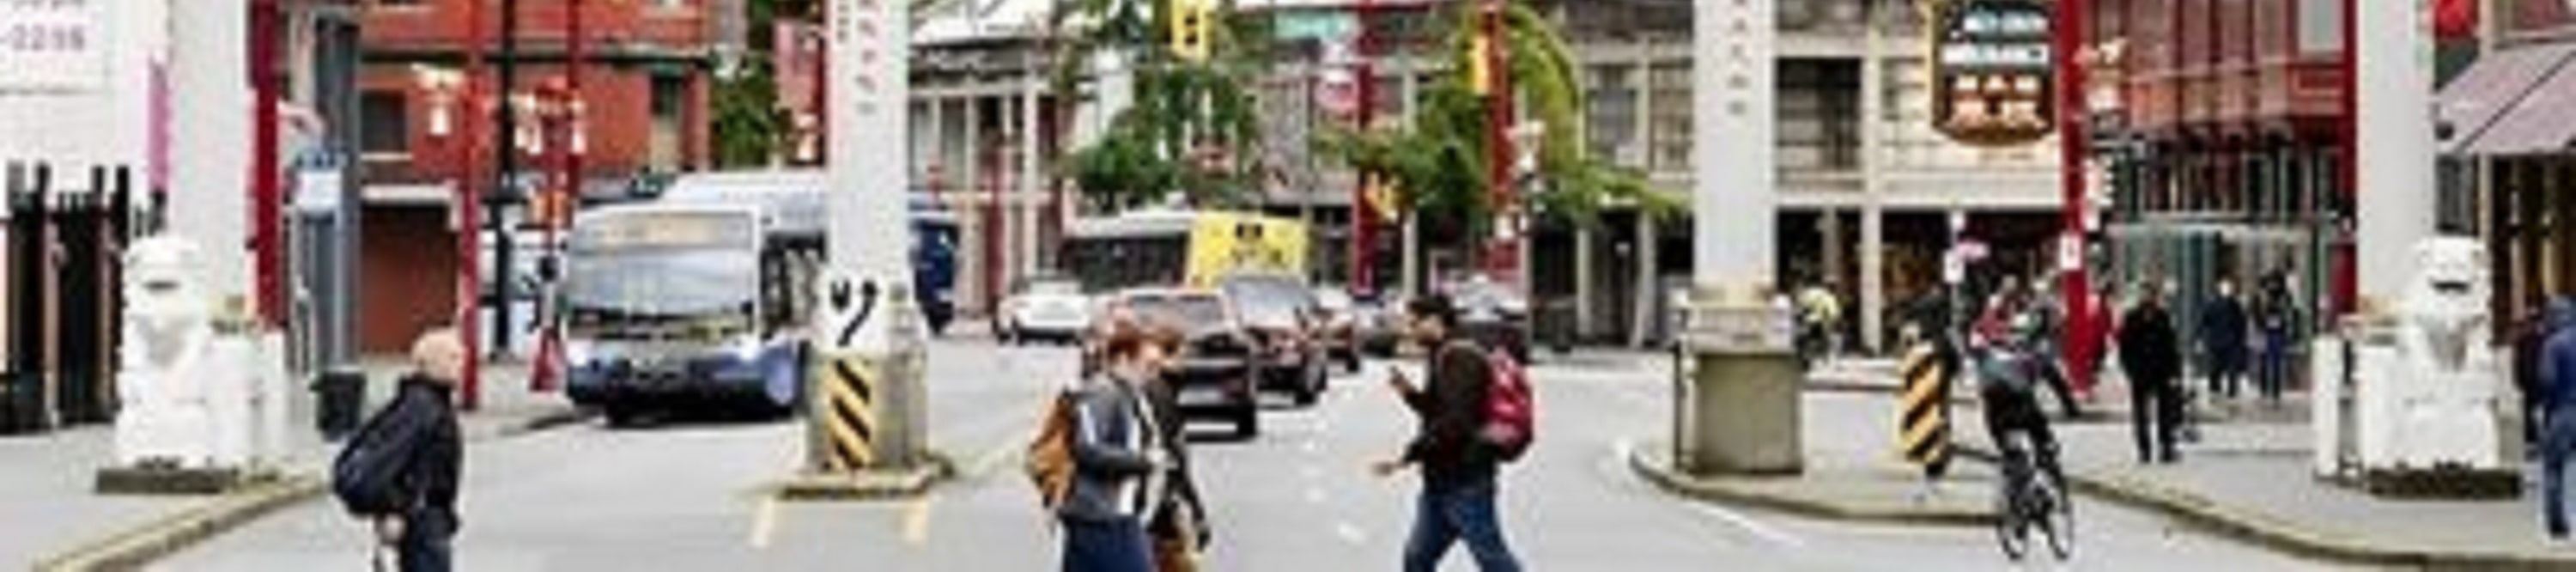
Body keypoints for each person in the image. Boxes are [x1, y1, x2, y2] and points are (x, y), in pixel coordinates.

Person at [1373, 295, 1521, 572]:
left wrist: (1408, 455)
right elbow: (1438, 411)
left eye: (1414, 323)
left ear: (1434, 321)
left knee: (1493, 559)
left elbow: (1455, 424)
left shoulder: (1461, 357)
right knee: (1417, 559)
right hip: (1441, 482)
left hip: (1466, 481)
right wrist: (1409, 394)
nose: (1410, 331)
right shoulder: (1442, 352)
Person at [1059, 330, 1172, 572]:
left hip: (1113, 515)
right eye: (1148, 366)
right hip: (1100, 517)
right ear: (1122, 360)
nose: (1154, 375)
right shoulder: (1102, 392)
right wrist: (1144, 461)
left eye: (1157, 368)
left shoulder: (1129, 394)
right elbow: (1087, 449)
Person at [373, 329, 467, 572]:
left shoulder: (433, 402)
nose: (461, 365)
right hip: (420, 519)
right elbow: (392, 462)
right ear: (432, 363)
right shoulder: (421, 407)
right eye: (453, 358)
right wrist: (393, 510)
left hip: (431, 517)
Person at [1137, 327, 1212, 572]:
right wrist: (1196, 512)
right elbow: (1172, 458)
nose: (1186, 364)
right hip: (1156, 506)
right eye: (1182, 356)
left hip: (1154, 504)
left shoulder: (1160, 390)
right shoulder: (1158, 393)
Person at [2117, 283, 2185, 465]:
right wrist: (2130, 369)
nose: (2147, 297)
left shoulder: (2163, 316)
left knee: (2165, 411)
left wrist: (2175, 372)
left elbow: (2171, 346)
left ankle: (2166, 447)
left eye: (2150, 294)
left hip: (2161, 371)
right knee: (2141, 413)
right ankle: (2144, 449)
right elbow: (2124, 347)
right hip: (2140, 372)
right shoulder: (2132, 318)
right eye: (2144, 294)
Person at [2537, 299, 2576, 539]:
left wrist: (2547, 411)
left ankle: (2557, 524)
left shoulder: (2553, 344)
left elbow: (2548, 380)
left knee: (2554, 469)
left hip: (2564, 411)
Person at [2199, 279, 2251, 401]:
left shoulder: (2212, 304)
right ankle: (2230, 391)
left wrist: (2202, 336)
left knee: (2216, 367)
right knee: (2230, 368)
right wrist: (2241, 338)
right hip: (2229, 341)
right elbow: (2241, 323)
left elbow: (2204, 321)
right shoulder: (2234, 305)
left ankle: (2216, 389)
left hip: (2217, 340)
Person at [2255, 271, 2299, 405]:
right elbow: (2254, 313)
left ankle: (2275, 393)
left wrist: (2288, 329)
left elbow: (2292, 313)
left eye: (2275, 282)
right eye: (2271, 282)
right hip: (2264, 333)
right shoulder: (2260, 296)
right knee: (2264, 362)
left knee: (2276, 363)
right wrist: (2260, 326)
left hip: (2278, 334)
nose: (2273, 285)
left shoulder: (2285, 297)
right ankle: (2264, 390)